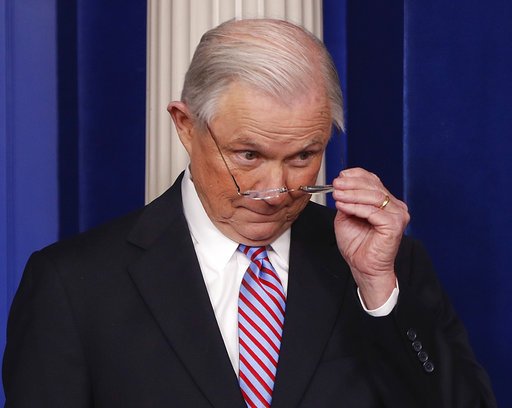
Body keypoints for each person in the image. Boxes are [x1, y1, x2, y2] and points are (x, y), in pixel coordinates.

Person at [2, 18, 496, 408]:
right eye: (248, 155)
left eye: (304, 156)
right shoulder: (73, 286)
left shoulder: (387, 266)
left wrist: (378, 290)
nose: (276, 192)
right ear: (186, 125)